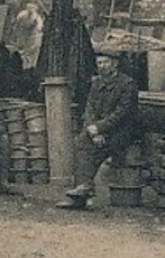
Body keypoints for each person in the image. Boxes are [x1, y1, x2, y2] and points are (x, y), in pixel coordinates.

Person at [58, 55, 140, 210]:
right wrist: (93, 130)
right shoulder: (96, 83)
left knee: (94, 149)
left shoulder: (127, 84)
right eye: (99, 63)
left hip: (121, 131)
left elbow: (122, 113)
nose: (102, 66)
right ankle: (82, 192)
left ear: (115, 64)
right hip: (99, 130)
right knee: (81, 141)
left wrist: (100, 128)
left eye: (105, 62)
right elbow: (89, 109)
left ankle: (84, 190)